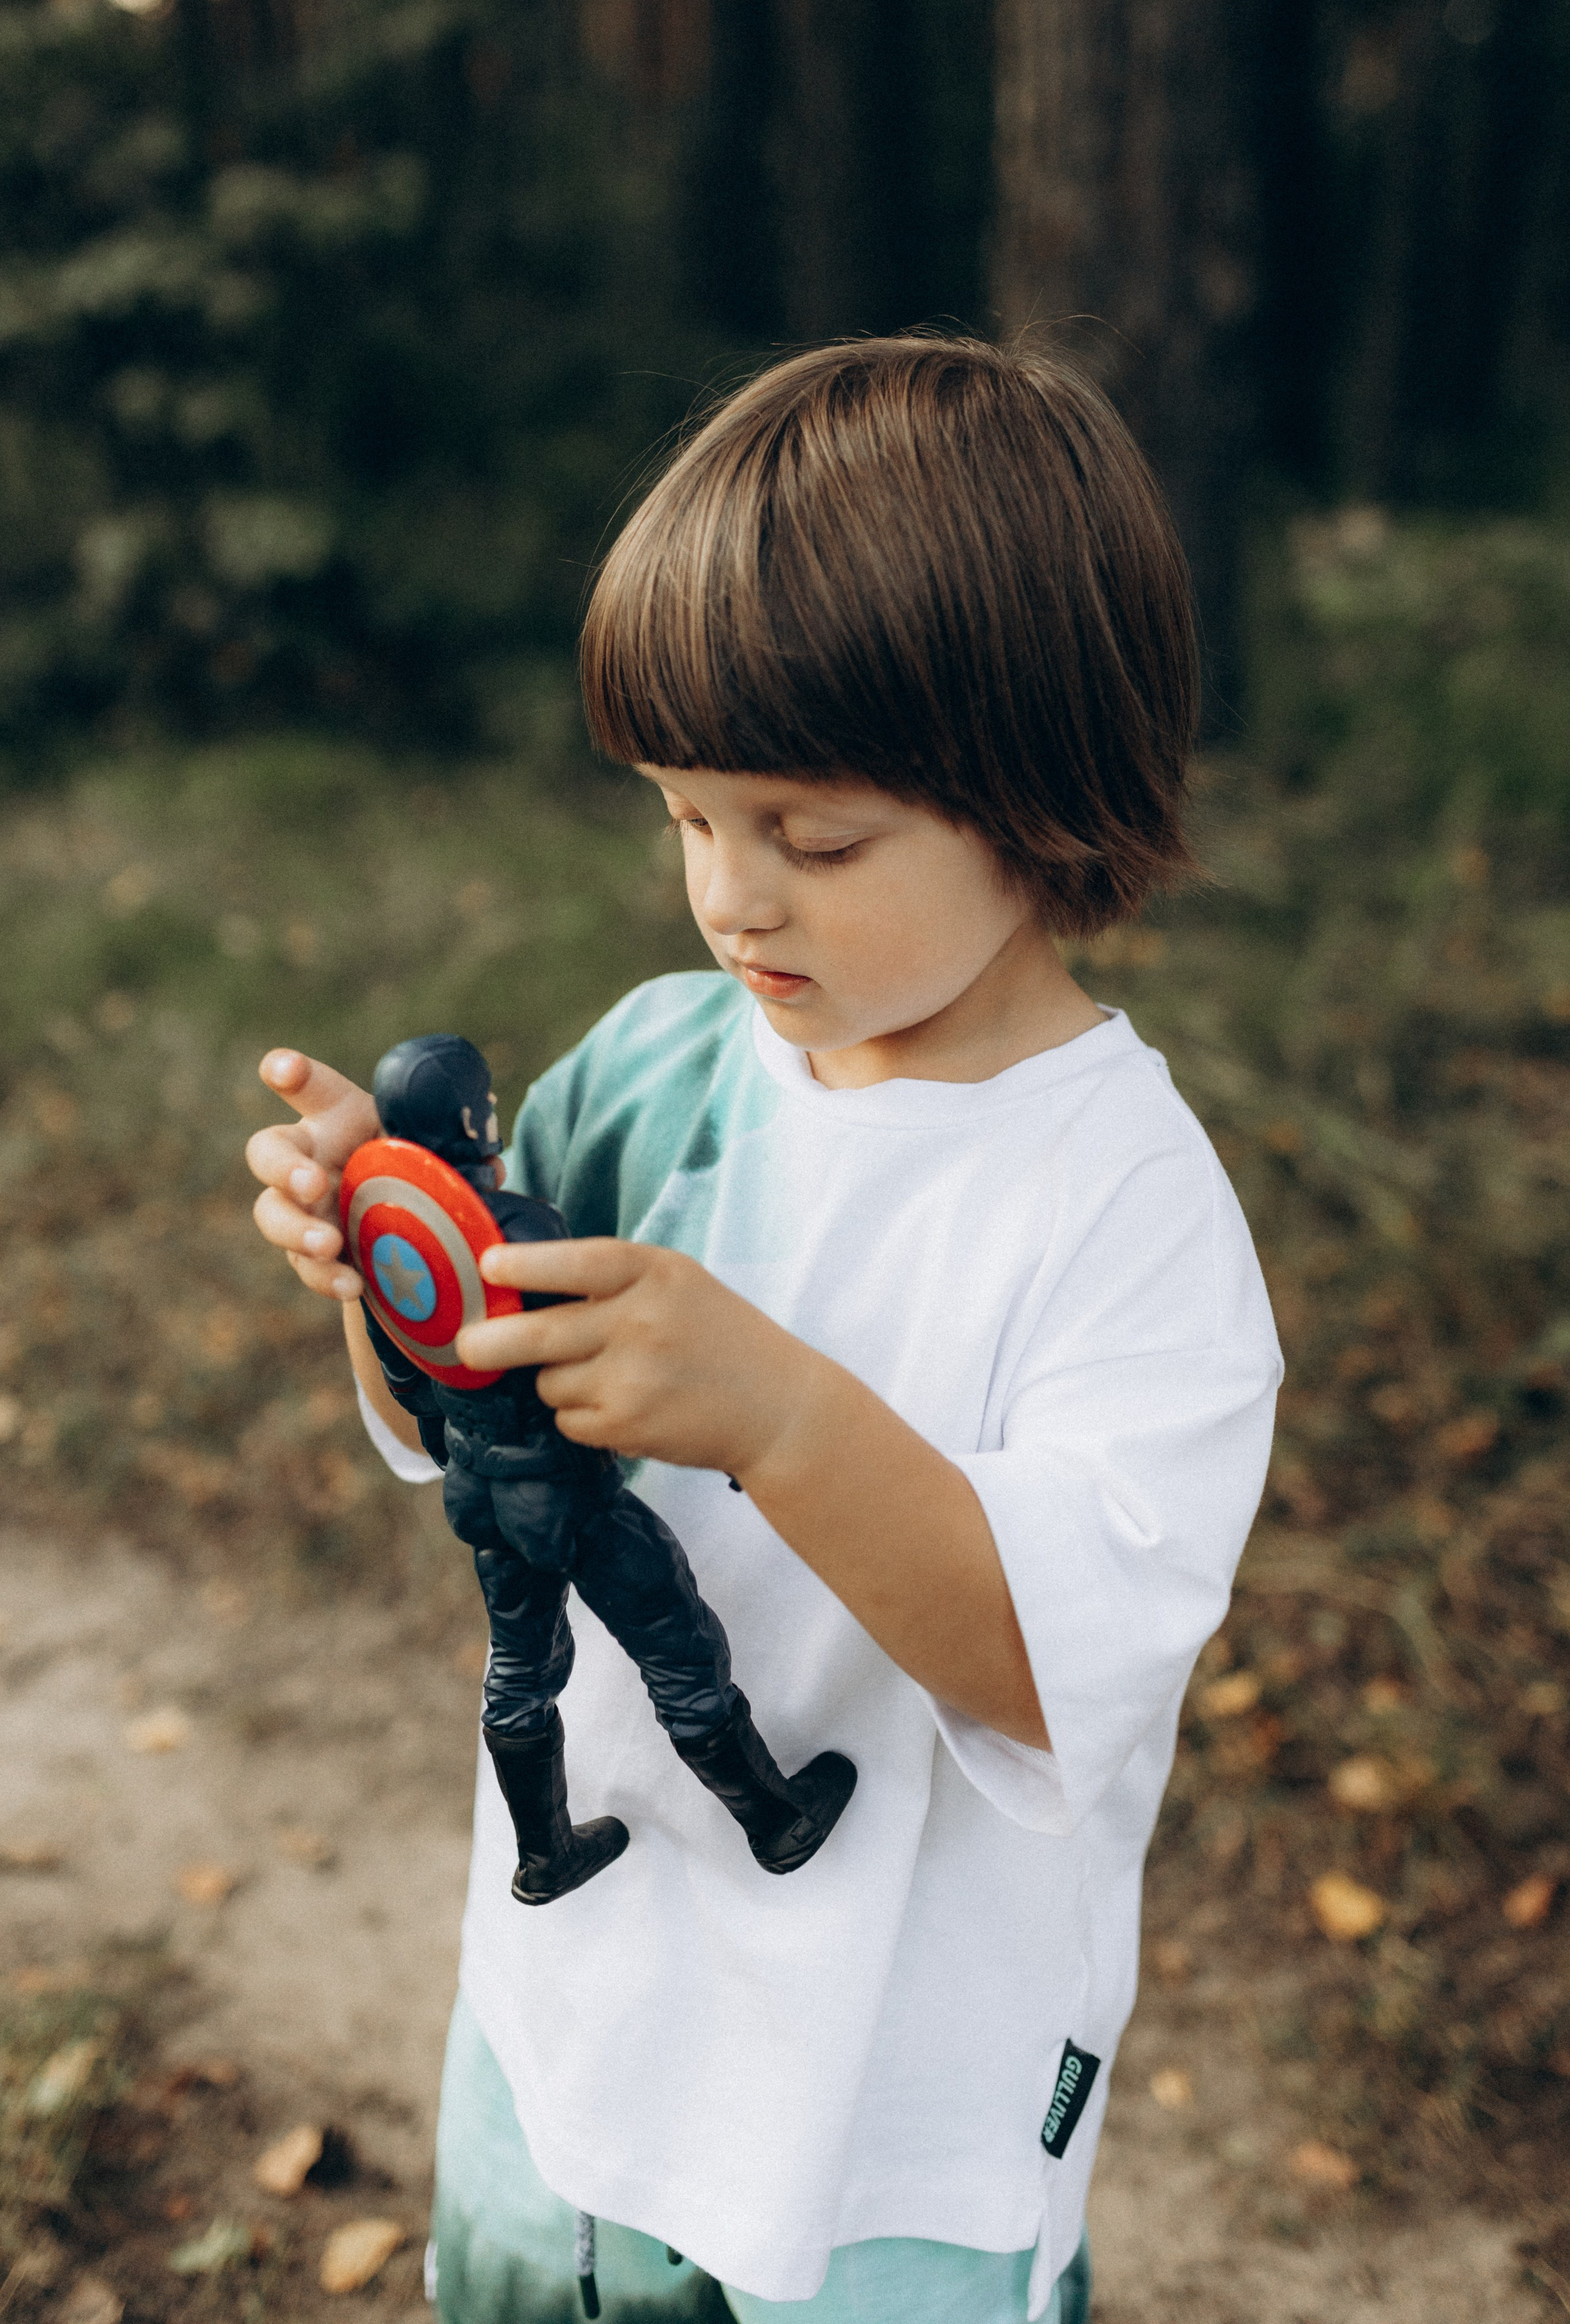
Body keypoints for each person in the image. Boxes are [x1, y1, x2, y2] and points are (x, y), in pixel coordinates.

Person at [245, 336, 1281, 2324]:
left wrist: (789, 1426)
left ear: (1044, 794)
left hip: (883, 2120)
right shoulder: (660, 1063)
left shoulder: (1123, 1214)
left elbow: (1059, 1676)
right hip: (576, 2019)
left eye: (808, 837)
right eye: (687, 818)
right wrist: (392, 1263)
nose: (731, 898)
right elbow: (476, 1407)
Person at [354, 1030, 856, 1906]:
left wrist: (452, 1445)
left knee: (518, 1667)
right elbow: (615, 1363)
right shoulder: (521, 1237)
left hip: (480, 1491)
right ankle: (776, 1822)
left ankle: (544, 1854)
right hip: (568, 1493)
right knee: (678, 1649)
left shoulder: (383, 1228)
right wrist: (733, 1436)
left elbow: (405, 1364)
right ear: (475, 1118)